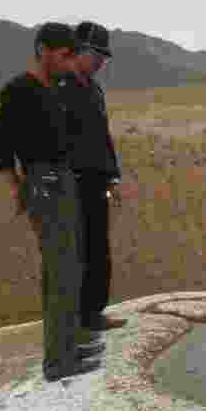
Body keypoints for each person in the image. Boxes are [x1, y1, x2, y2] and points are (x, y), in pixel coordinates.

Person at [0, 22, 104, 383]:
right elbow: (1, 146)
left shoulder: (53, 87)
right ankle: (58, 362)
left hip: (64, 179)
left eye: (73, 55)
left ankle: (70, 344)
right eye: (65, 54)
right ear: (44, 50)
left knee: (71, 267)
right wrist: (18, 188)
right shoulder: (19, 89)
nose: (69, 61)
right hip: (43, 183)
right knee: (58, 271)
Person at [56, 21, 129, 334]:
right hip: (73, 183)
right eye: (97, 54)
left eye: (104, 56)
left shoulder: (93, 88)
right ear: (80, 50)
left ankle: (93, 314)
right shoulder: (61, 88)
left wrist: (112, 175)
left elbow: (101, 136)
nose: (101, 61)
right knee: (79, 252)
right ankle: (76, 320)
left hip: (97, 181)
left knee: (98, 250)